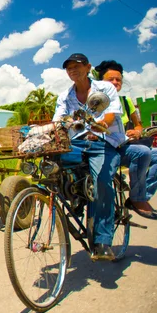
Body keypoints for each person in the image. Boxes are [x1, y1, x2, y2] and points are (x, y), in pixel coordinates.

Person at [54, 53, 126, 261]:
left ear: (88, 67)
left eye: (76, 66)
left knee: (102, 180)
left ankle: (103, 240)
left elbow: (111, 114)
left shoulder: (105, 88)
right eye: (68, 68)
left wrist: (101, 124)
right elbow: (58, 120)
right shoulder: (65, 97)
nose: (72, 70)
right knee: (53, 167)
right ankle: (76, 196)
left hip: (103, 141)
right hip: (77, 142)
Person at [95, 60, 157, 220]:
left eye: (118, 79)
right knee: (142, 152)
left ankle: (140, 196)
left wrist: (137, 132)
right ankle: (138, 198)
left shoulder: (126, 102)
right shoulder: (95, 102)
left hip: (126, 147)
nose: (115, 82)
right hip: (108, 149)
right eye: (110, 79)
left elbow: (139, 125)